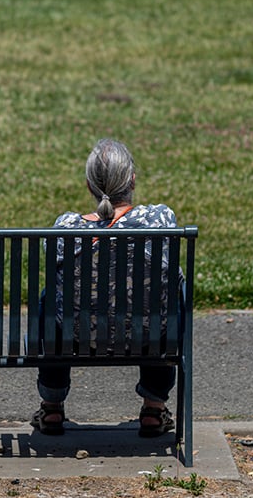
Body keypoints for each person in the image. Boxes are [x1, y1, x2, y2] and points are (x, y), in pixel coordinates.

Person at [30, 138, 181, 439]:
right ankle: (153, 407)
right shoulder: (160, 220)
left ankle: (52, 406)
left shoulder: (66, 228)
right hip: (147, 334)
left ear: (89, 185)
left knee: (49, 301)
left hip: (79, 334)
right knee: (164, 303)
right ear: (132, 181)